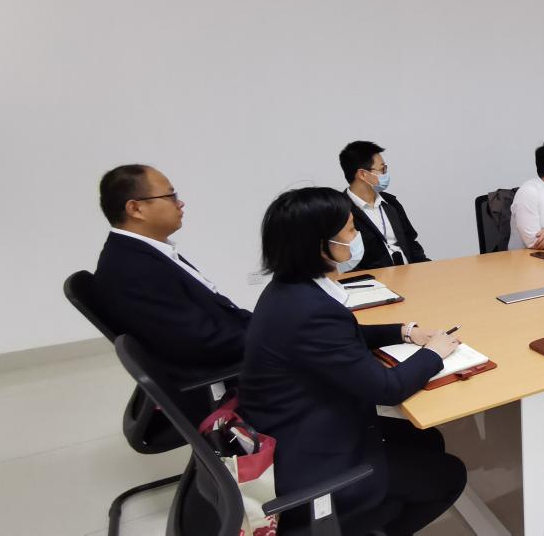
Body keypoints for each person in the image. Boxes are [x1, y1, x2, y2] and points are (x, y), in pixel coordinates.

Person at [240, 187, 466, 535]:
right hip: (312, 460)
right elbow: (387, 388)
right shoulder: (311, 310)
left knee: (427, 440)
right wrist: (434, 352)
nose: (356, 235)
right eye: (350, 229)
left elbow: (340, 336)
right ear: (320, 244)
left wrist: (404, 331)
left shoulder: (289, 290)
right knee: (450, 475)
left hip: (295, 426)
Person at [94, 164, 251, 422]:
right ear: (135, 209)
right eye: (171, 196)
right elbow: (201, 343)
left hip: (226, 350)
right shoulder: (133, 269)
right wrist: (272, 336)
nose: (180, 203)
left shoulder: (142, 252)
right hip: (216, 376)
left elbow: (215, 313)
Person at [339, 141, 430, 270]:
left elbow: (411, 241)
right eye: (382, 169)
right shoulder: (341, 211)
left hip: (410, 273)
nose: (385, 173)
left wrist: (426, 268)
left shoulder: (391, 202)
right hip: (375, 279)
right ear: (363, 174)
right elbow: (345, 261)